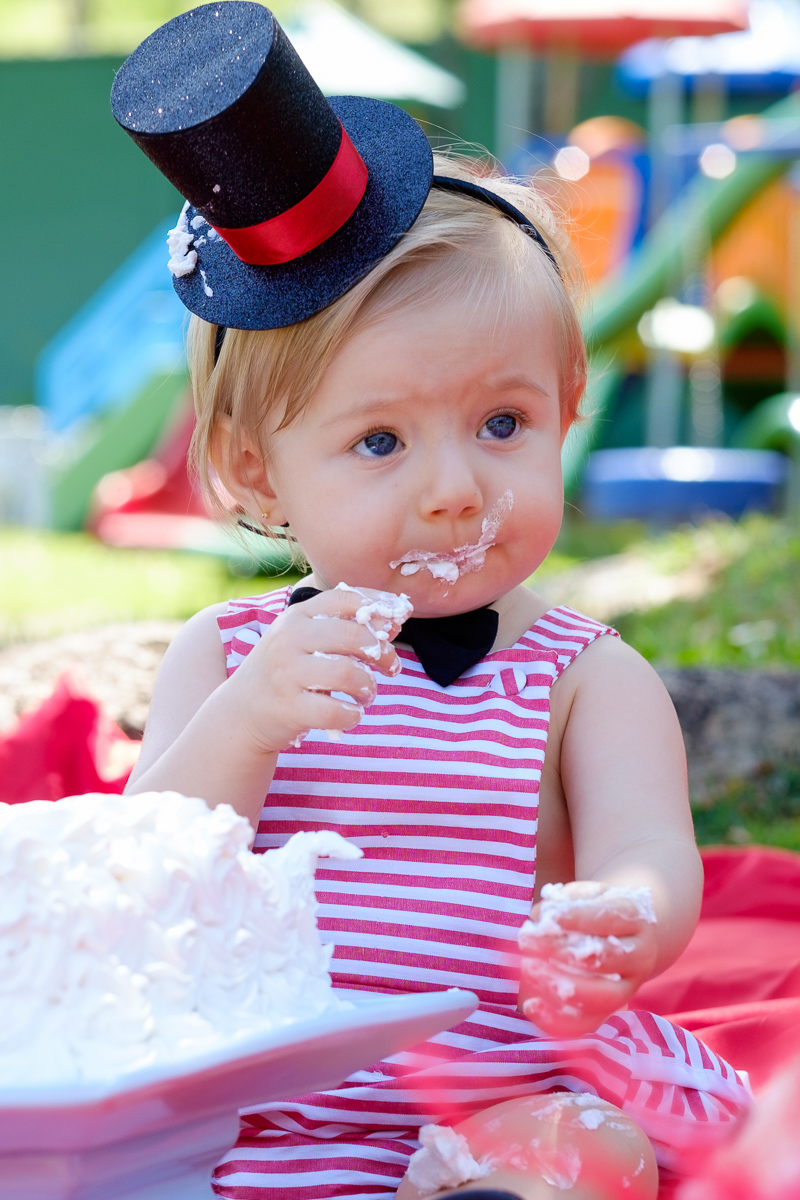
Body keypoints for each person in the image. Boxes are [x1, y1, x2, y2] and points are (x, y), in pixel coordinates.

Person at [115, 4, 751, 1197]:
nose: (457, 489)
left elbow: (648, 851)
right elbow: (144, 872)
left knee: (591, 1152)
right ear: (260, 472)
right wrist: (248, 722)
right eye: (380, 443)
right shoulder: (230, 652)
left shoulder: (580, 674)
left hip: (502, 1081)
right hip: (254, 1097)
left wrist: (619, 919)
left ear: (565, 406)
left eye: (501, 423)